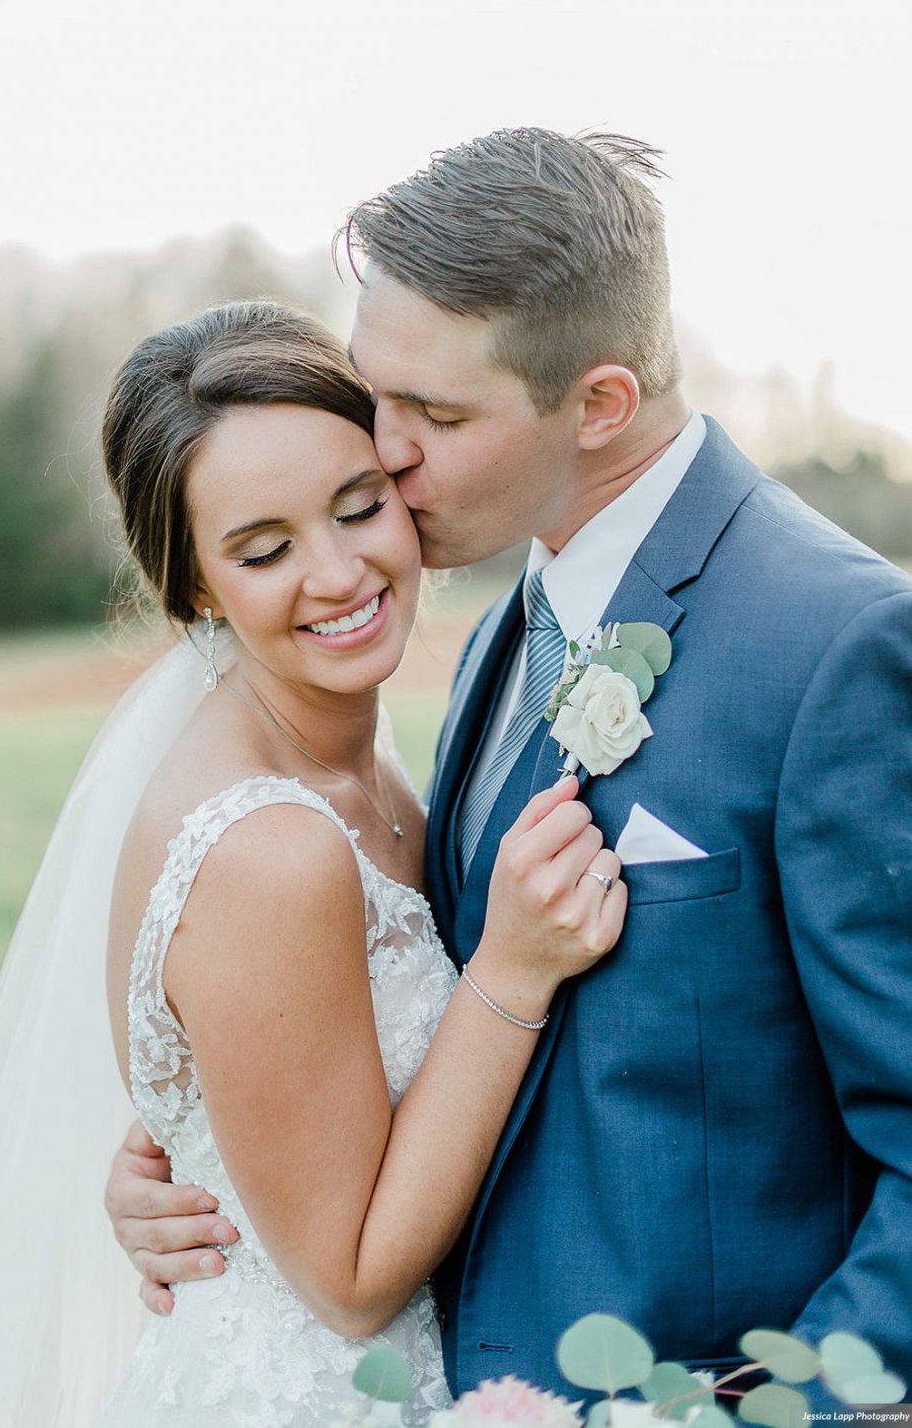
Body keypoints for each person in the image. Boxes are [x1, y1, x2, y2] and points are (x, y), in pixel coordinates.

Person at [107, 129, 912, 1403]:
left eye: (434, 414)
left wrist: (791, 1406)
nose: (381, 447)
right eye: (377, 390)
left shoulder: (836, 646)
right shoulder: (496, 633)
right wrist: (225, 1158)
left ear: (596, 402)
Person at [0, 297, 627, 1427]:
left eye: (358, 507)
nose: (339, 572)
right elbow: (349, 1280)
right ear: (197, 584)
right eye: (263, 549)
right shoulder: (269, 845)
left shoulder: (363, 753)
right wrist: (510, 967)